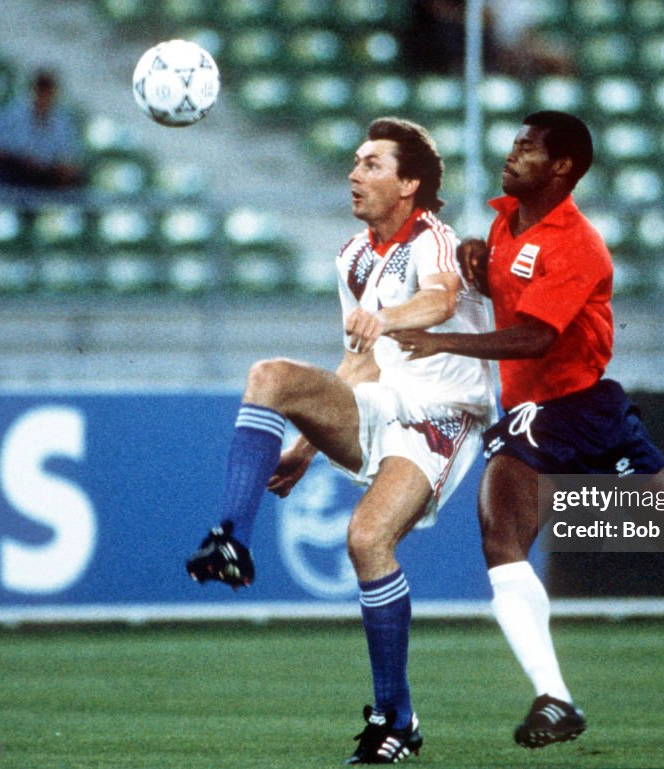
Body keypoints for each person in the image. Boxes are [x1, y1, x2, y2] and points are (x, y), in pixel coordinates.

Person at [389, 111, 664, 749]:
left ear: (562, 167)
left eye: (528, 149)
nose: (512, 156)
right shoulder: (505, 219)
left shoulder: (579, 243)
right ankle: (555, 698)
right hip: (532, 418)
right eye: (515, 144)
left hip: (589, 411)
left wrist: (440, 340)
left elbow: (539, 335)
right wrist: (480, 269)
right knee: (500, 535)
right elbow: (511, 293)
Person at [185, 117, 493, 764]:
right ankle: (230, 539)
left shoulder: (434, 239)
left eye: (372, 164)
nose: (354, 173)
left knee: (366, 538)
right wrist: (305, 445)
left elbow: (438, 301)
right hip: (382, 400)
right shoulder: (354, 256)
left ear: (410, 183)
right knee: (271, 377)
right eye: (355, 162)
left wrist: (384, 316)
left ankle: (395, 719)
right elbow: (360, 361)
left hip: (440, 414)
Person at [0, 68, 85, 189]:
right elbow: (7, 149)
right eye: (41, 90)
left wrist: (60, 167)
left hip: (51, 176)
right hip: (19, 174)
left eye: (48, 91)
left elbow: (68, 155)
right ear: (34, 90)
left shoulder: (63, 121)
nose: (44, 95)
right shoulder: (15, 113)